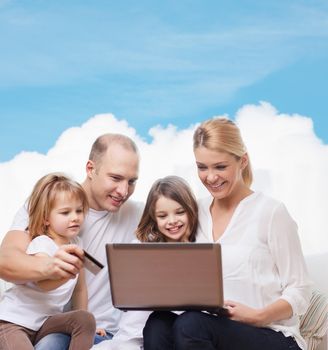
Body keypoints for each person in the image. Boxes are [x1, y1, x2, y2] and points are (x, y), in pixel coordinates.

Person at [143, 117, 312, 350]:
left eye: (220, 167)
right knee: (158, 323)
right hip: (211, 330)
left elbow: (300, 290)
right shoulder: (196, 211)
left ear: (242, 161)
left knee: (191, 324)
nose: (210, 178)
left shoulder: (271, 212)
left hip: (271, 335)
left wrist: (259, 316)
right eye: (202, 167)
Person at [0, 134, 144, 349]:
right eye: (115, 178)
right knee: (49, 345)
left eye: (131, 181)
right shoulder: (49, 203)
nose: (123, 191)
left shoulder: (141, 214)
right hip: (46, 328)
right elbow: (6, 261)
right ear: (90, 169)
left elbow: (80, 288)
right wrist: (52, 267)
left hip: (103, 331)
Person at [92, 175, 199, 350]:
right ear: (154, 218)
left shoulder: (201, 250)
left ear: (191, 210)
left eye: (179, 212)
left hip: (172, 335)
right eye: (163, 215)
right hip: (132, 336)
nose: (172, 221)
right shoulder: (142, 248)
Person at [0, 173, 96, 350]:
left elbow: (80, 289)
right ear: (46, 218)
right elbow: (45, 284)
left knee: (85, 319)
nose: (74, 217)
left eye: (79, 210)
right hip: (13, 323)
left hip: (43, 323)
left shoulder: (77, 244)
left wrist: (90, 323)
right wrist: (69, 271)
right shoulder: (42, 243)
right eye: (65, 212)